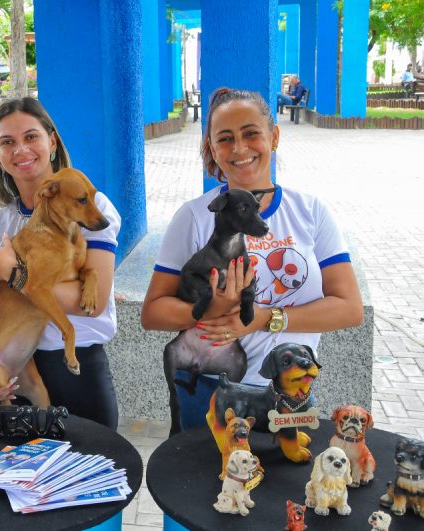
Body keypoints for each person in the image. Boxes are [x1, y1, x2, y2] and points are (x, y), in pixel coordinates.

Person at [140, 88, 363, 431]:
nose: (240, 149)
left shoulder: (310, 212)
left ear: (273, 136)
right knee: (208, 484)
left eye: (251, 133)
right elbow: (153, 312)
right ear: (212, 149)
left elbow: (349, 309)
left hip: (291, 391)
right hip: (213, 392)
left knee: (290, 483)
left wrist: (263, 318)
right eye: (225, 139)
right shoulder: (195, 217)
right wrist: (211, 310)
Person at [0, 96, 122, 428]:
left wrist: (15, 275)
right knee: (17, 478)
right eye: (7, 142)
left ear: (52, 140)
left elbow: (91, 303)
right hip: (14, 372)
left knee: (91, 475)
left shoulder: (92, 208)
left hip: (77, 370)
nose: (20, 150)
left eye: (31, 137)